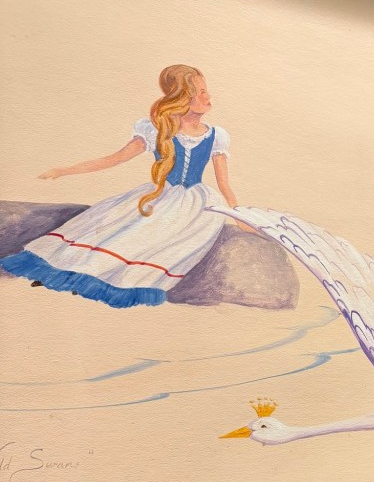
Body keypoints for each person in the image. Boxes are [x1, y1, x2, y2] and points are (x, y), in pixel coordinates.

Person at [1, 64, 240, 308]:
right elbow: (116, 158)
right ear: (182, 97)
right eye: (201, 92)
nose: (208, 97)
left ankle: (120, 281)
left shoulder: (216, 135)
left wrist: (241, 216)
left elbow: (224, 184)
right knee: (117, 229)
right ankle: (75, 273)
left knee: (160, 240)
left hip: (196, 204)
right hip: (158, 196)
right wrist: (64, 170)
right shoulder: (156, 129)